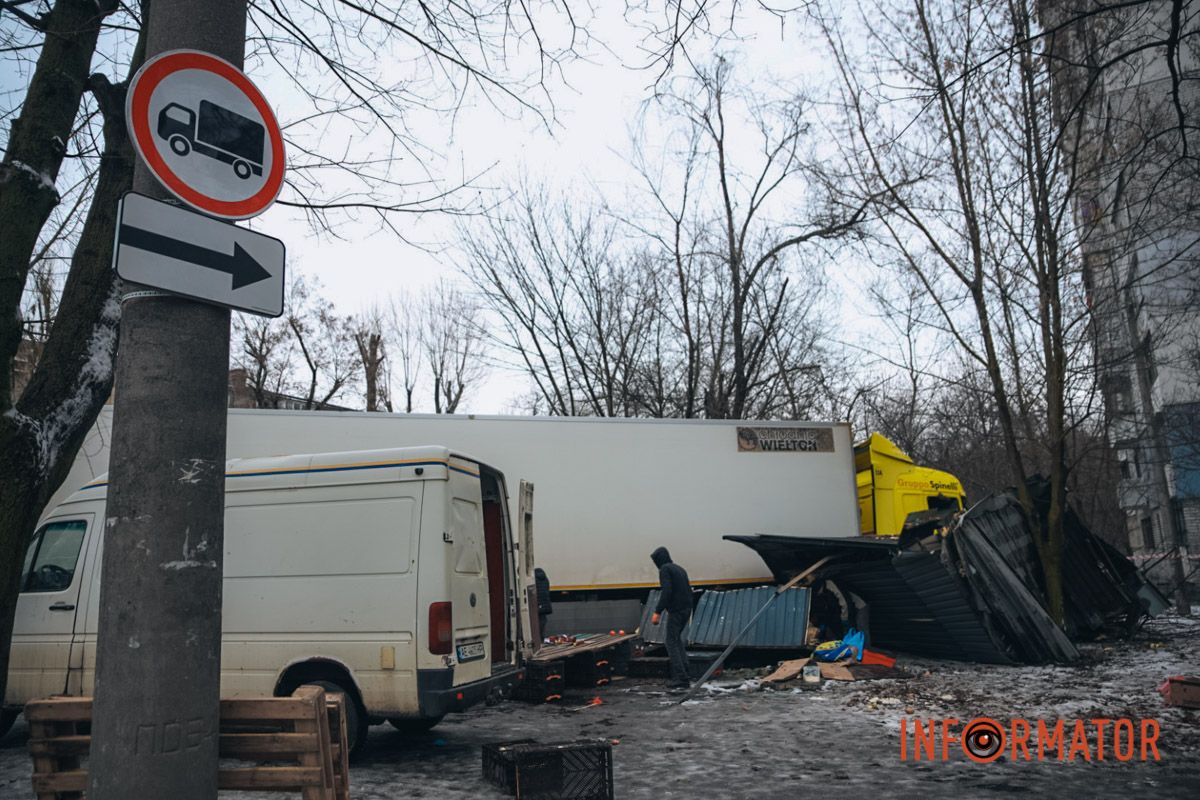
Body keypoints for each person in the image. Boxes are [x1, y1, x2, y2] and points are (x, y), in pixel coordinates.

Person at [650, 546, 693, 689]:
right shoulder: (680, 569)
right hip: (687, 609)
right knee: (677, 640)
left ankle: (681, 678)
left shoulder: (665, 570)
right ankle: (685, 671)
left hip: (677, 610)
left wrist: (657, 611)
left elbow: (666, 591)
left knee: (670, 642)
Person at [534, 567, 553, 638]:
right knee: (542, 623)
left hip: (537, 605)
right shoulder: (545, 579)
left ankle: (538, 640)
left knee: (536, 625)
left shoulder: (533, 580)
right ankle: (541, 639)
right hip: (544, 605)